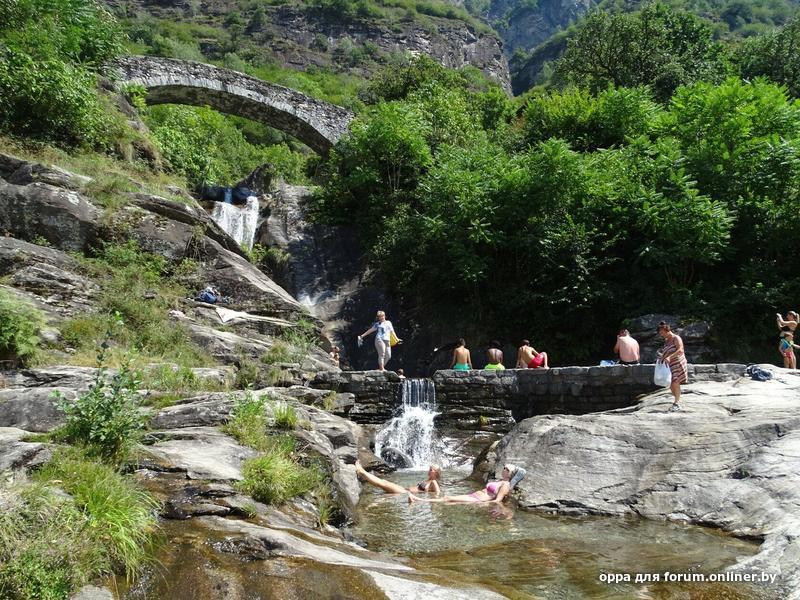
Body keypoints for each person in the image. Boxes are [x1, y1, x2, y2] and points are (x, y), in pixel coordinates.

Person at [408, 464, 525, 504]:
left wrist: (483, 504)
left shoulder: (506, 485)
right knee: (448, 502)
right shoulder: (500, 481)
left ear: (510, 474)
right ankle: (417, 500)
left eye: (506, 469)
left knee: (447, 498)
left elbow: (497, 500)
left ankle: (418, 500)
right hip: (474, 495)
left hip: (478, 500)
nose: (504, 469)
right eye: (504, 467)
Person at [355, 460, 441, 494]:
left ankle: (361, 471)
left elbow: (438, 493)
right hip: (404, 490)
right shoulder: (428, 480)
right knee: (384, 482)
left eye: (431, 469)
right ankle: (363, 474)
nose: (428, 470)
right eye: (429, 469)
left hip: (404, 493)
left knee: (384, 483)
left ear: (436, 473)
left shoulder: (434, 482)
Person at [657, 321, 688, 412]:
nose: (661, 335)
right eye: (660, 333)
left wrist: (670, 357)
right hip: (670, 364)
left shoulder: (676, 338)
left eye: (662, 333)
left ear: (667, 330)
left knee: (675, 382)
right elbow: (666, 352)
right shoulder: (666, 341)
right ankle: (677, 400)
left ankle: (676, 403)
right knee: (670, 383)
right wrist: (662, 358)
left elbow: (680, 350)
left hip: (678, 362)